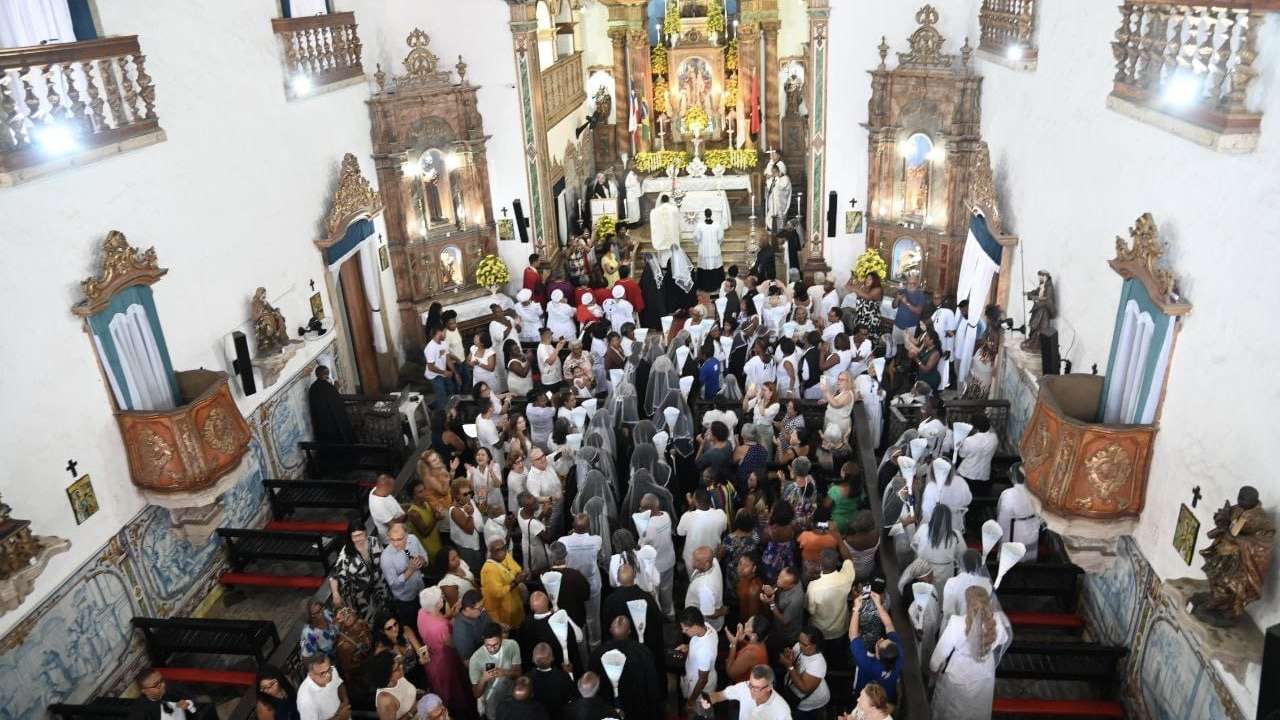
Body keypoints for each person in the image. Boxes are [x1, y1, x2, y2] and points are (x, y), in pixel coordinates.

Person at [929, 586, 1008, 720]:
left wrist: (933, 668)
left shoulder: (957, 623)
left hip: (959, 673)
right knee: (978, 708)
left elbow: (940, 654)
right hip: (984, 673)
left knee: (953, 709)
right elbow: (1004, 638)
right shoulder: (997, 622)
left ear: (968, 603)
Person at [590, 615, 664, 720]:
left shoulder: (597, 654)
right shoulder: (643, 653)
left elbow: (594, 685)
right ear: (629, 631)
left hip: (609, 708)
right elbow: (652, 685)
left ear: (611, 630)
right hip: (639, 708)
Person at [415, 587, 471, 717]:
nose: (443, 599)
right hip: (445, 660)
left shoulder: (422, 612)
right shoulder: (441, 627)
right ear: (436, 604)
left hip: (432, 656)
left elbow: (439, 618)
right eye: (441, 598)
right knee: (454, 689)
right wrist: (457, 617)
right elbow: (452, 643)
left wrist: (451, 614)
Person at [330, 524, 389, 625]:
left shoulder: (374, 541)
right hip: (363, 596)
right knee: (371, 621)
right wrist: (335, 594)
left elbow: (385, 558)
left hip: (380, 586)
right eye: (354, 536)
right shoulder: (346, 554)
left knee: (386, 613)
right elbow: (334, 576)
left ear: (365, 532)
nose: (358, 539)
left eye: (360, 535)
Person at [849, 591, 902, 704]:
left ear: (877, 655)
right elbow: (889, 626)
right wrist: (878, 604)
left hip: (867, 700)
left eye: (879, 643)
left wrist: (856, 609)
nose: (881, 639)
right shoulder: (898, 654)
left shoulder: (867, 664)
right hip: (888, 697)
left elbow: (853, 635)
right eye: (884, 639)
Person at [560, 513, 605, 646]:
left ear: (573, 526)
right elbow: (600, 556)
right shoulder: (596, 540)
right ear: (589, 527)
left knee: (574, 614)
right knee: (593, 615)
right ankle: (595, 641)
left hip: (573, 584)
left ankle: (579, 641)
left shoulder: (563, 540)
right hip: (592, 583)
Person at [380, 522, 429, 629]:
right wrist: (410, 570)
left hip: (421, 589)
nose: (396, 543)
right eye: (392, 539)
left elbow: (425, 557)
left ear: (407, 534)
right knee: (414, 626)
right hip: (406, 600)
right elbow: (393, 584)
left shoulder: (413, 539)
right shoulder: (386, 558)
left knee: (427, 619)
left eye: (400, 539)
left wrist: (422, 561)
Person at [806, 549, 856, 651]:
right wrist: (838, 539)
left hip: (821, 629)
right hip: (840, 628)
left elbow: (810, 610)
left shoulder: (813, 587)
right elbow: (848, 560)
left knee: (822, 649)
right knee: (837, 651)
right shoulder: (846, 578)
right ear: (837, 563)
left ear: (820, 564)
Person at [468, 623, 521, 720]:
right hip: (492, 705)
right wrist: (483, 679)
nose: (492, 649)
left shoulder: (512, 645)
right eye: (488, 645)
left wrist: (505, 672)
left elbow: (519, 674)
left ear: (502, 638)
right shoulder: (475, 659)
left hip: (512, 699)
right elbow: (476, 694)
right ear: (483, 640)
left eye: (495, 645)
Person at [702, 664, 792, 720]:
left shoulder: (782, 710)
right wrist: (705, 700)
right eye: (751, 685)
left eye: (756, 688)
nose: (751, 691)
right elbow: (720, 695)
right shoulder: (744, 687)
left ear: (769, 687)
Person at [782, 626, 830, 720]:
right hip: (794, 695)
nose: (799, 646)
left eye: (804, 644)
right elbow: (794, 664)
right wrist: (789, 657)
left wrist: (790, 666)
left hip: (811, 704)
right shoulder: (799, 646)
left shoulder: (818, 663)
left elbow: (805, 689)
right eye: (799, 641)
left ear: (814, 645)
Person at [996, 466, 1042, 561]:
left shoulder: (1008, 494)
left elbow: (1002, 522)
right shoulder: (1037, 493)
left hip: (1013, 543)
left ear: (1013, 477)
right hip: (1032, 542)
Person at [480, 537, 527, 629]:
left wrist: (522, 574)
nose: (502, 552)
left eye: (503, 548)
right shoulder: (489, 569)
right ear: (491, 552)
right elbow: (497, 592)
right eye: (497, 550)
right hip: (502, 612)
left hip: (515, 603)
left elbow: (517, 569)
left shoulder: (506, 556)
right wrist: (516, 582)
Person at [677, 608, 718, 710]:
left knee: (698, 712)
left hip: (700, 689)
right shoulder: (707, 627)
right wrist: (688, 647)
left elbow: (703, 680)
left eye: (686, 629)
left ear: (695, 626)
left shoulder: (705, 651)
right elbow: (698, 643)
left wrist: (691, 701)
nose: (683, 631)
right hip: (694, 676)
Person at [677, 490, 728, 571]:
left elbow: (680, 532)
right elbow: (724, 528)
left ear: (695, 502)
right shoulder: (721, 514)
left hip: (693, 560)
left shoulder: (687, 516)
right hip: (711, 558)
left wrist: (690, 507)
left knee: (694, 580)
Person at [308, 365, 354, 445]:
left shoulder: (312, 388)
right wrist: (336, 388)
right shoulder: (328, 387)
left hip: (320, 423)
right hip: (332, 422)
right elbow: (336, 403)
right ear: (326, 374)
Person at [943, 550, 993, 623]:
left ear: (960, 563)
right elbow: (989, 609)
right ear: (979, 564)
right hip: (979, 624)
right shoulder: (987, 583)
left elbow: (947, 612)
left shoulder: (951, 582)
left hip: (956, 624)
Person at [128, 668, 198, 720]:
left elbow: (192, 699)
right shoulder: (140, 710)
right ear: (144, 691)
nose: (163, 685)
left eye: (161, 680)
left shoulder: (172, 688)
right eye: (157, 685)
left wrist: (189, 704)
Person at [296, 655, 351, 720]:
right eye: (322, 673)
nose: (328, 675)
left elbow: (339, 684)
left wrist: (345, 700)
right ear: (311, 675)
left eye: (328, 669)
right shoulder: (305, 700)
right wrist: (339, 718)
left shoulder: (332, 670)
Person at [449, 481, 485, 578]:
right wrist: (470, 514)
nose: (469, 496)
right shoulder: (455, 511)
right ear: (456, 496)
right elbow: (469, 530)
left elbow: (480, 513)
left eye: (470, 493)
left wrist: (481, 499)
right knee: (474, 572)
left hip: (478, 541)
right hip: (468, 548)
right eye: (465, 494)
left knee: (481, 568)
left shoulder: (469, 501)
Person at [365, 652, 417, 720]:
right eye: (397, 668)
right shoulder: (385, 700)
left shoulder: (398, 678)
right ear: (387, 676)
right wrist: (411, 712)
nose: (401, 666)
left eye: (399, 664)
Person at [528, 643, 576, 716]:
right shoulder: (563, 677)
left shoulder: (527, 679)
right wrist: (569, 674)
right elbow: (572, 696)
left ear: (533, 659)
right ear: (552, 658)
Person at [725, 614, 769, 683]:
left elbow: (730, 673)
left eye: (748, 625)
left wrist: (733, 645)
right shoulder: (760, 641)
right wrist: (741, 640)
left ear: (754, 635)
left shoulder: (750, 653)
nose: (745, 623)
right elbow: (750, 645)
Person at [452, 590, 492, 663]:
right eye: (480, 608)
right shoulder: (461, 631)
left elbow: (490, 625)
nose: (483, 609)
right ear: (468, 609)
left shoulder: (479, 612)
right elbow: (468, 662)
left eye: (483, 606)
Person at [956, 415, 997, 484]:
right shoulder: (994, 438)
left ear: (975, 428)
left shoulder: (969, 440)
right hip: (984, 475)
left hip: (967, 474)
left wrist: (960, 446)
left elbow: (962, 455)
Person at [892, 273, 925, 354]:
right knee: (895, 347)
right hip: (898, 325)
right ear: (906, 283)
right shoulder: (902, 291)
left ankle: (905, 365)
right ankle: (895, 363)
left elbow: (918, 311)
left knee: (908, 351)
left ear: (917, 284)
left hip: (910, 328)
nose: (911, 285)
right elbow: (894, 306)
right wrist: (897, 299)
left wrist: (906, 303)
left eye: (914, 283)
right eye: (909, 283)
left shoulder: (920, 295)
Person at [695, 208, 725, 292]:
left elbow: (696, 237)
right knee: (715, 267)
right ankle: (716, 285)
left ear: (705, 214)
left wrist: (698, 243)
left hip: (704, 251)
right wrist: (717, 243)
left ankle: (704, 286)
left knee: (704, 268)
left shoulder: (699, 226)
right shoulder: (717, 225)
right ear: (711, 214)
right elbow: (720, 238)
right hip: (714, 250)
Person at [765, 165, 792, 235]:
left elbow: (783, 189)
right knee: (772, 212)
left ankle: (779, 228)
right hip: (773, 201)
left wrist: (777, 180)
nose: (773, 173)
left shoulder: (785, 178)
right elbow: (769, 187)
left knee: (776, 193)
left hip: (781, 200)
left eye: (775, 172)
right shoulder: (773, 178)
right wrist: (771, 180)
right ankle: (772, 227)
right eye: (772, 172)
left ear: (779, 171)